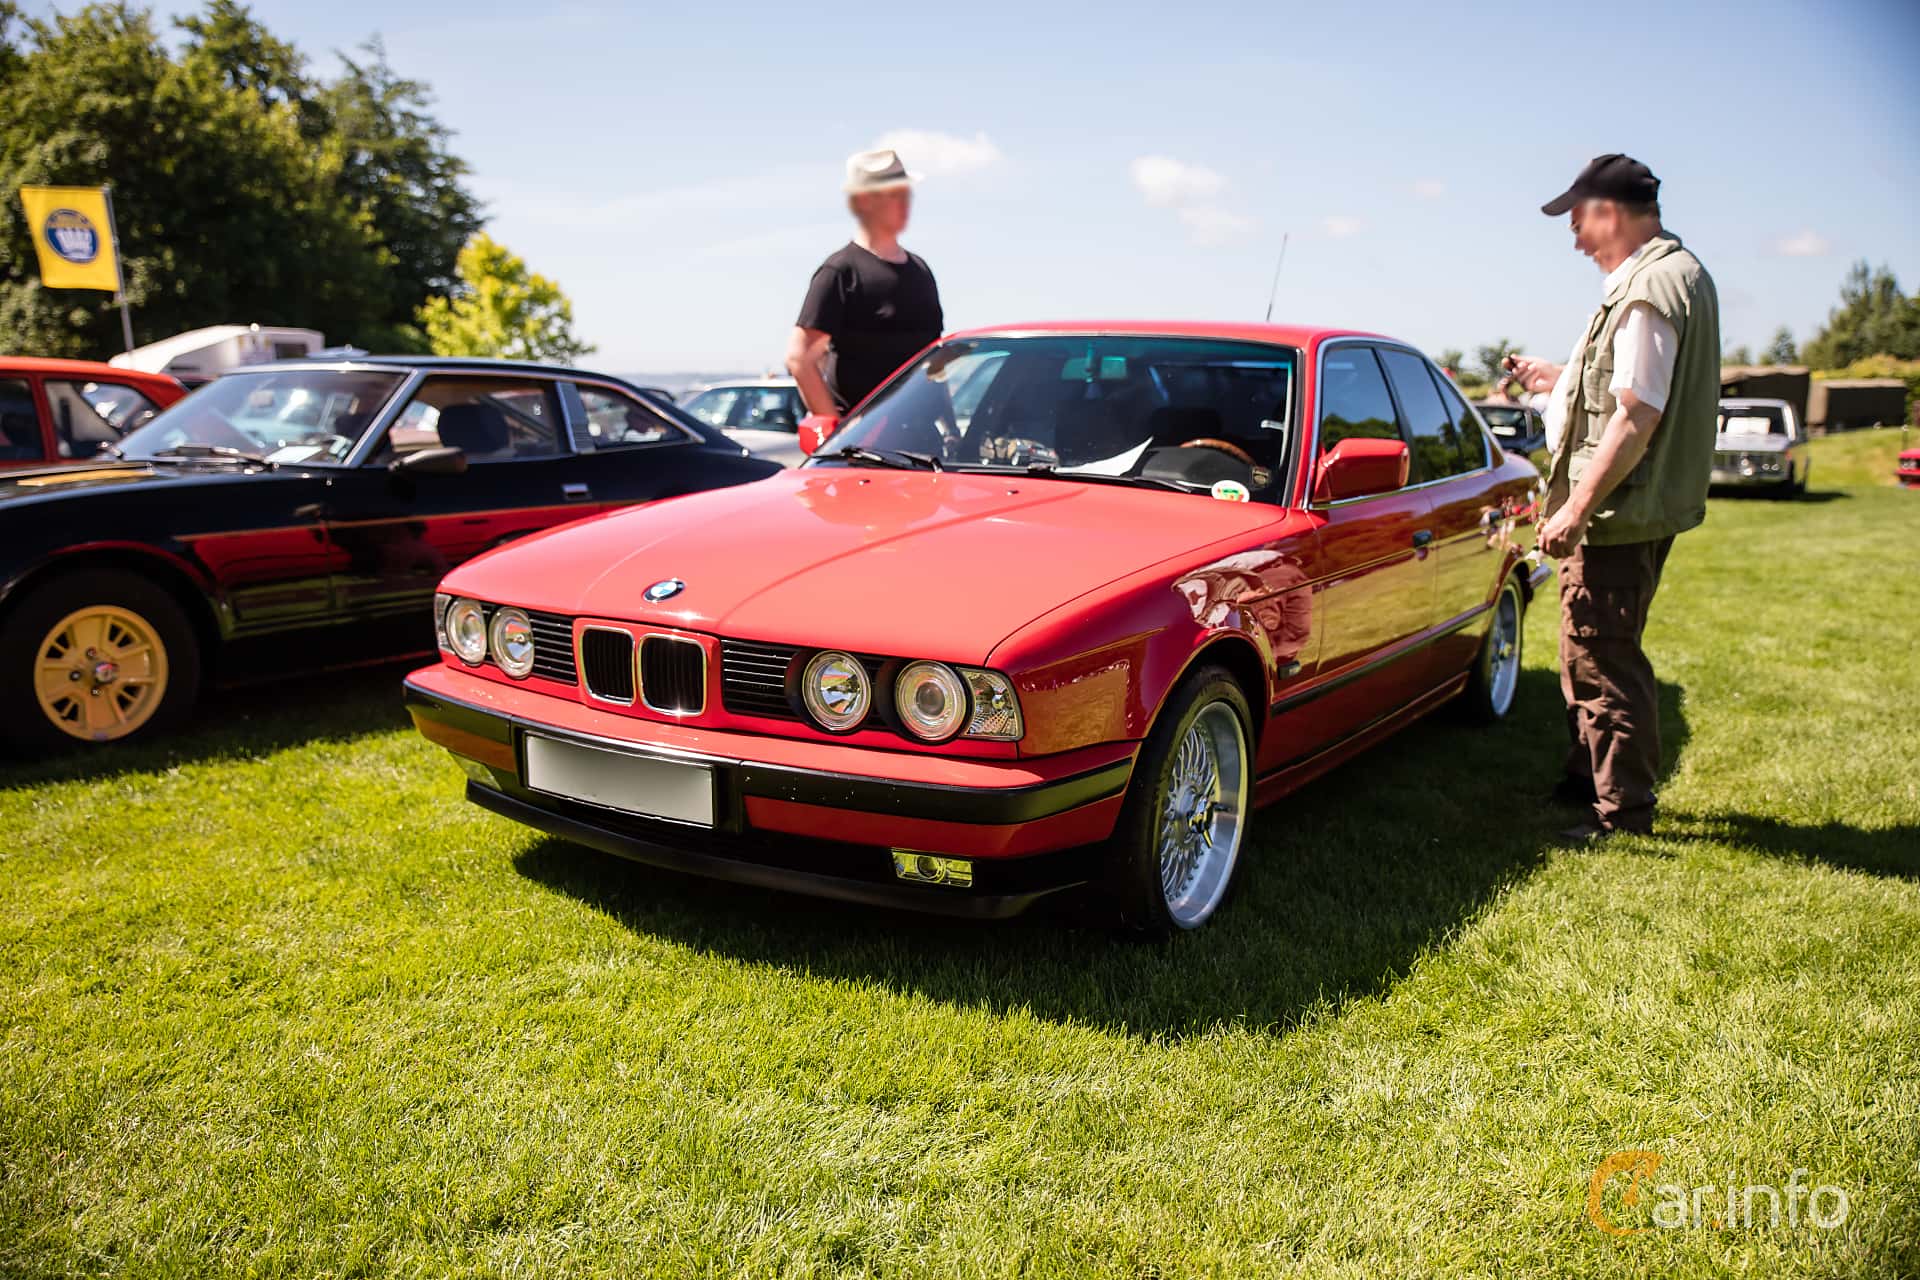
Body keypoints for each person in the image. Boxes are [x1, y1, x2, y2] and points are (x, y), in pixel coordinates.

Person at [1503, 154, 1720, 840]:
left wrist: (1574, 509)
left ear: (1609, 211)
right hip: (1636, 507)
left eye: (1577, 221)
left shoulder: (1648, 287)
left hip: (1620, 513)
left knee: (1605, 654)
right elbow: (1630, 382)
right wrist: (1559, 377)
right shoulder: (1674, 275)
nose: (1574, 239)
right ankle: (1587, 779)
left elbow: (1636, 412)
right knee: (1586, 646)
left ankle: (1621, 814)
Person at [786, 148, 945, 418]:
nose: (905, 203)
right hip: (866, 449)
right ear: (864, 202)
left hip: (923, 440)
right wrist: (838, 432)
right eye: (894, 195)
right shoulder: (840, 272)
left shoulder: (920, 270)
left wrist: (950, 430)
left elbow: (936, 365)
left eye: (906, 194)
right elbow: (800, 358)